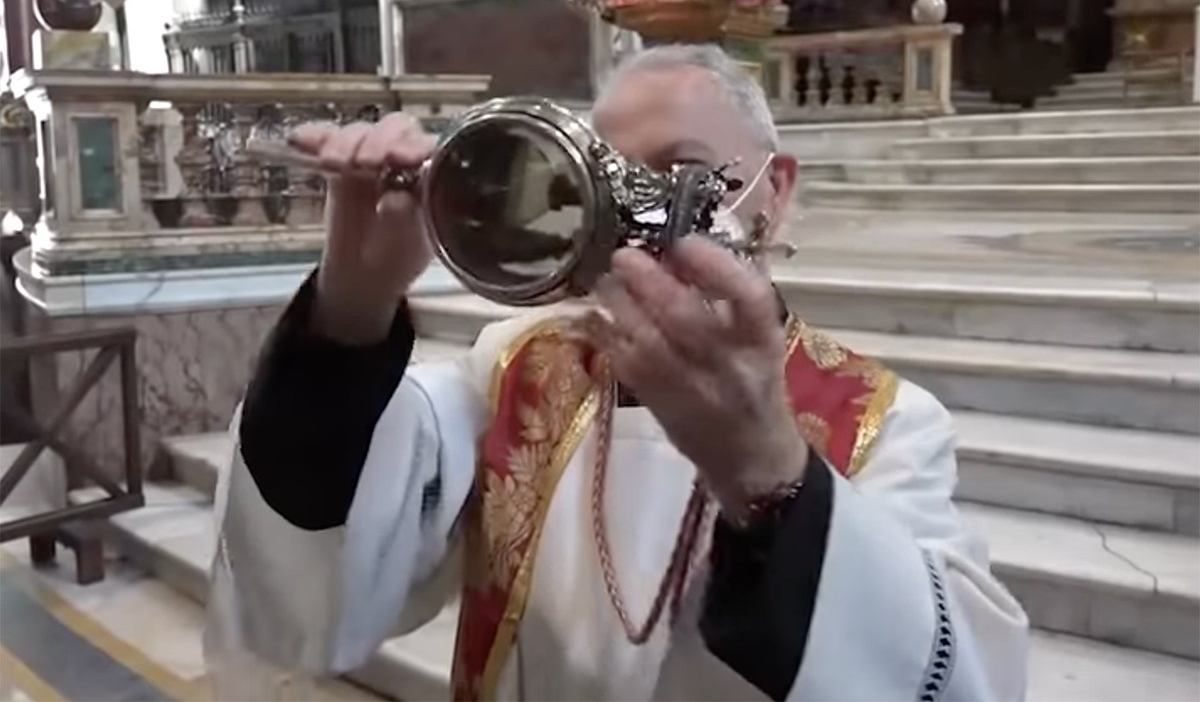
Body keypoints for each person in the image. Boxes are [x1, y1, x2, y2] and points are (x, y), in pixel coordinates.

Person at [204, 44, 1030, 701]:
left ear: (772, 191)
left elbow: (954, 675)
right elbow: (317, 580)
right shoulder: (512, 369)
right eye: (603, 183)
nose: (634, 221)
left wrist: (764, 468)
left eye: (679, 173)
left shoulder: (882, 418)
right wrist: (354, 304)